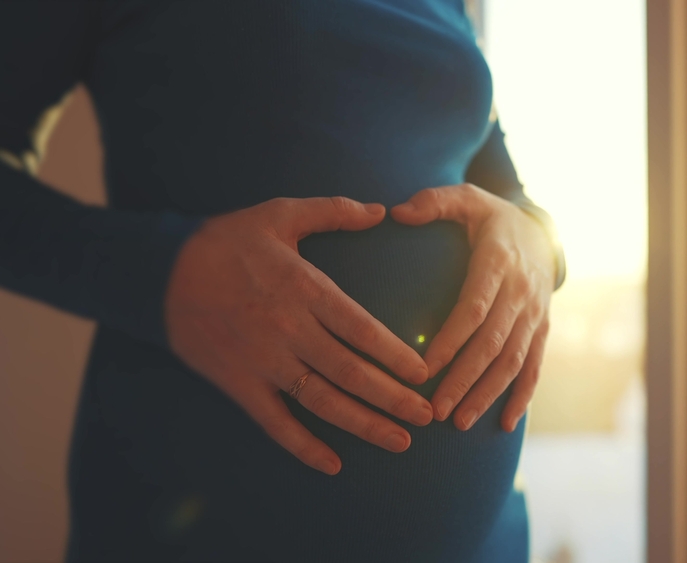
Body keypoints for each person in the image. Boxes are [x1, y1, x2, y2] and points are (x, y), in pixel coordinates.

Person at [0, 1, 565, 561]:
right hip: (197, 517)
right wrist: (165, 272)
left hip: (483, 543)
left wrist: (538, 241)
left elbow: (492, 168)